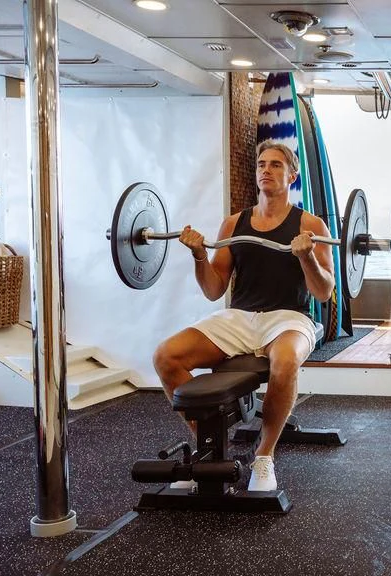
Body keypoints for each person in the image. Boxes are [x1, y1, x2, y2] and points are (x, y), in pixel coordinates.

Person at [152, 140, 334, 491]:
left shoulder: (311, 224)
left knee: (285, 361)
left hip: (289, 318)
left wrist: (306, 256)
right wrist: (199, 256)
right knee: (165, 356)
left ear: (292, 176)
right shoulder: (234, 224)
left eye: (276, 165)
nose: (266, 169)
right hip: (240, 317)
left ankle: (263, 457)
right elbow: (214, 290)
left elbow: (324, 291)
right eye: (261, 164)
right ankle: (209, 451)